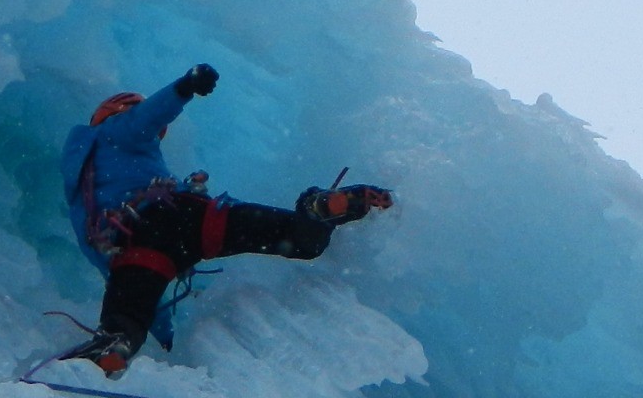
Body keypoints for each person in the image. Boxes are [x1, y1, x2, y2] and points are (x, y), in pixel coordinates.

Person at [60, 64, 395, 375]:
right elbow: (145, 118)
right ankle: (316, 210)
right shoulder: (118, 131)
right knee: (298, 240)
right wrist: (185, 86)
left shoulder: (80, 195)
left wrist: (159, 332)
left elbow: (120, 276)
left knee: (124, 320)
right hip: (190, 218)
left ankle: (114, 346)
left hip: (138, 250)